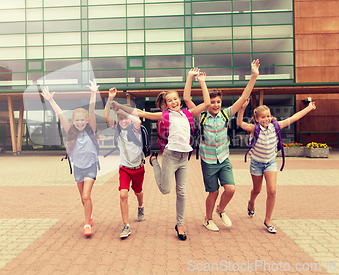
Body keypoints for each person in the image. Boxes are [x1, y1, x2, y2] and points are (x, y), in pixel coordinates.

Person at [111, 71, 210, 241]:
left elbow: (207, 102)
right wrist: (120, 107)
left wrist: (197, 80)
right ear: (166, 104)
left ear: (179, 100)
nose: (173, 102)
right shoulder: (165, 115)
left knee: (182, 192)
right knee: (166, 190)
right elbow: (141, 113)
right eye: (169, 100)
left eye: (175, 99)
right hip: (171, 156)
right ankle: (155, 163)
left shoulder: (188, 113)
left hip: (184, 158)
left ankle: (180, 224)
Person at [183, 60, 260, 232]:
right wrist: (192, 78)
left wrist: (254, 75)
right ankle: (208, 219)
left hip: (223, 158)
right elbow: (187, 99)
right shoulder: (201, 116)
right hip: (208, 160)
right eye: (212, 102)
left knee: (231, 189)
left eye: (218, 101)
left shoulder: (225, 114)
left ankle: (221, 210)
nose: (216, 104)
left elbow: (243, 97)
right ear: (207, 103)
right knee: (214, 192)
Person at [237, 99, 316, 233]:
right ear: (256, 119)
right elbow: (240, 123)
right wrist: (242, 108)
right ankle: (251, 202)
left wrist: (309, 108)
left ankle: (267, 220)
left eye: (268, 116)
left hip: (270, 162)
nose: (266, 119)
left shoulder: (276, 126)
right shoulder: (254, 128)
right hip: (256, 163)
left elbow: (294, 117)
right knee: (256, 190)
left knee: (272, 191)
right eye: (263, 117)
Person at [42, 81, 100, 237]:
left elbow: (92, 110)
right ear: (73, 121)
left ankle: (87, 224)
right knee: (83, 198)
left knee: (86, 195)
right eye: (77, 120)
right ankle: (90, 215)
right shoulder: (70, 131)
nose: (80, 122)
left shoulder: (91, 130)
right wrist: (50, 100)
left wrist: (93, 93)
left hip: (91, 167)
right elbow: (60, 114)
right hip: (78, 169)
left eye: (83, 120)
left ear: (87, 121)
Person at [104, 87, 146, 239]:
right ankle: (126, 225)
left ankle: (141, 207)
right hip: (124, 169)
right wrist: (110, 99)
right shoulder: (117, 128)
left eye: (125, 119)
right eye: (121, 119)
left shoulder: (136, 129)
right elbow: (106, 116)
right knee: (123, 194)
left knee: (138, 191)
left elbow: (138, 120)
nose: (123, 121)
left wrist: (123, 111)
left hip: (138, 168)